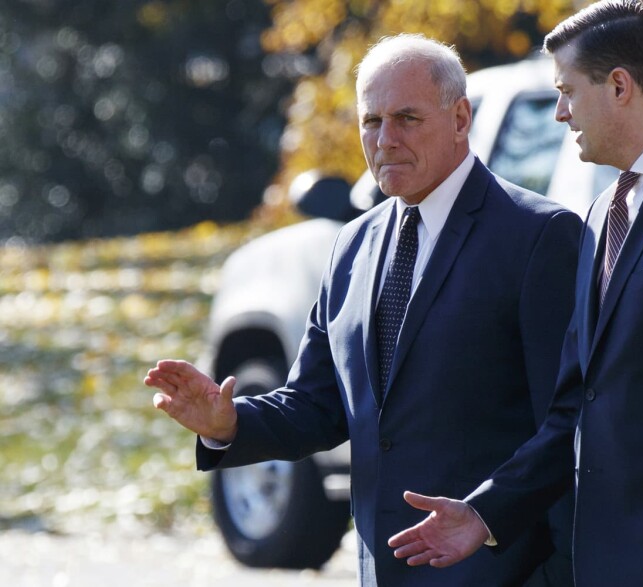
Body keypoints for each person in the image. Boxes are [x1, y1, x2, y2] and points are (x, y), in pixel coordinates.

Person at [144, 34, 582, 586]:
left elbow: (569, 422)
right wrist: (231, 423)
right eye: (371, 122)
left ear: (460, 117)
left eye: (406, 118)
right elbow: (319, 402)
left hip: (505, 571)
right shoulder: (353, 244)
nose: (386, 139)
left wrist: (488, 515)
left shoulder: (540, 235)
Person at [387, 2, 643, 586]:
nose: (559, 112)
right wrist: (485, 512)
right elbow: (575, 406)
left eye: (568, 91)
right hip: (606, 562)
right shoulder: (605, 211)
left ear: (621, 86)